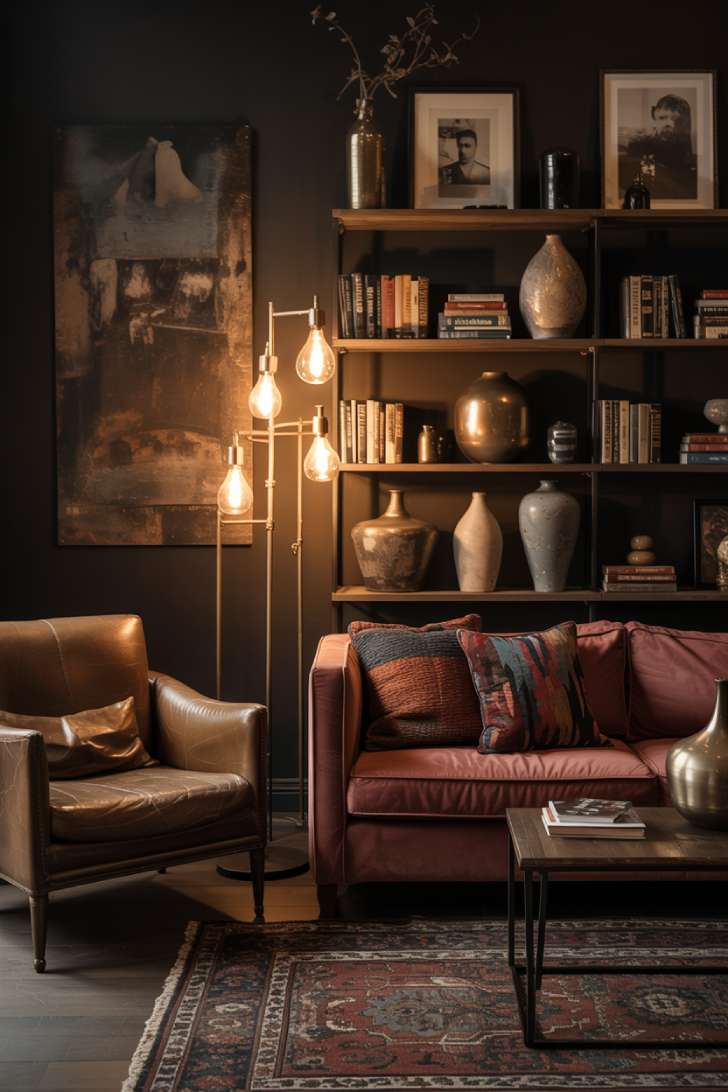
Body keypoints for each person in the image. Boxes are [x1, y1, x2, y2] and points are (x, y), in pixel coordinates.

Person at [619, 93, 697, 200]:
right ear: (655, 118)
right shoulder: (637, 146)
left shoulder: (691, 164)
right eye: (663, 118)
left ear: (685, 123)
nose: (670, 124)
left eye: (677, 120)